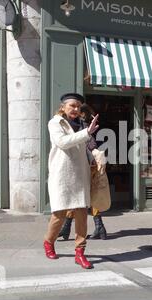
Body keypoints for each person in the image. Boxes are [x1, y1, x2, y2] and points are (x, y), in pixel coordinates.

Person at [43, 93, 99, 269]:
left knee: (82, 215)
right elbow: (62, 142)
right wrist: (86, 133)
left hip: (80, 174)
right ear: (63, 106)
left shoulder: (82, 124)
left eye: (78, 106)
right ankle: (48, 242)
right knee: (59, 214)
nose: (75, 109)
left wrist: (96, 155)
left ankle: (80, 252)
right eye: (72, 106)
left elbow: (86, 146)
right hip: (62, 174)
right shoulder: (55, 123)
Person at [57, 104, 108, 241]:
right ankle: (98, 227)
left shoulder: (81, 125)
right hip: (88, 165)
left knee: (79, 196)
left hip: (85, 165)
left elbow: (90, 143)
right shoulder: (83, 125)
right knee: (86, 196)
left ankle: (68, 228)